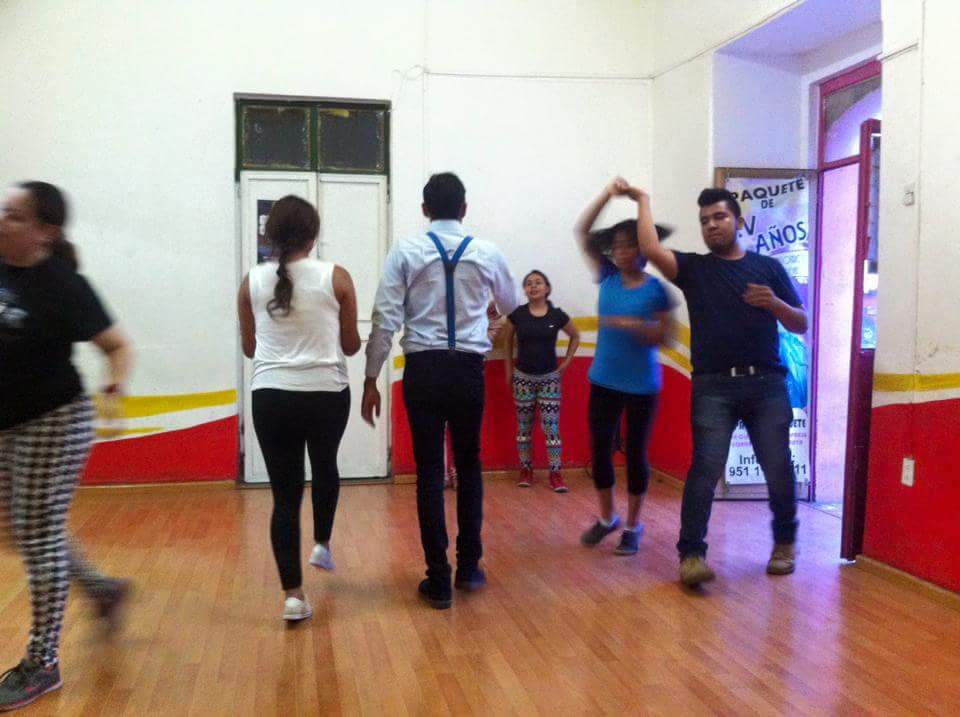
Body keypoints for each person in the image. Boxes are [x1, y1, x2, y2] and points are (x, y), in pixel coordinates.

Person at [0, 182, 132, 711]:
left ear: (45, 231)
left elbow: (117, 345)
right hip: (8, 423)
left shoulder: (64, 285)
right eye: (3, 212)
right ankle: (102, 589)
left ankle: (42, 662)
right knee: (24, 530)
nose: (3, 221)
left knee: (38, 535)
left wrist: (115, 386)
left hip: (54, 422)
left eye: (15, 216)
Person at [634, 185, 808, 587]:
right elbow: (650, 248)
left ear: (739, 221)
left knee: (778, 468)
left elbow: (800, 323)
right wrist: (643, 200)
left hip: (766, 385)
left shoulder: (767, 268)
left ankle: (784, 544)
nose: (711, 225)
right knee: (705, 469)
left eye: (719, 217)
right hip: (713, 387)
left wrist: (774, 303)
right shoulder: (695, 270)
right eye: (704, 221)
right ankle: (691, 555)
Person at [361, 172, 518, 610]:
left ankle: (438, 579)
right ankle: (469, 567)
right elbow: (513, 306)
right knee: (469, 465)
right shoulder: (487, 252)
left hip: (424, 370)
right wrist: (486, 319)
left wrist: (371, 379)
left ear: (424, 209)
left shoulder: (405, 251)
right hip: (469, 370)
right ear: (464, 208)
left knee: (430, 471)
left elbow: (384, 321)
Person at [237, 195, 361, 621]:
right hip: (327, 393)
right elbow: (350, 346)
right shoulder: (337, 277)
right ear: (314, 234)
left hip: (271, 396)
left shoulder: (251, 282)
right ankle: (322, 545)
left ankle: (293, 596)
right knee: (325, 465)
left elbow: (250, 348)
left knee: (284, 497)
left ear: (270, 234)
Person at [573, 179, 674, 556]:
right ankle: (606, 519)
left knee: (635, 455)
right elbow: (582, 231)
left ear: (642, 248)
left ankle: (633, 526)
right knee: (600, 450)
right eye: (615, 245)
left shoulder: (656, 289)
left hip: (642, 386)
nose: (620, 251)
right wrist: (606, 194)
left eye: (628, 244)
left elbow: (665, 337)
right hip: (603, 381)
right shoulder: (608, 277)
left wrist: (634, 325)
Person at [503, 270, 580, 492]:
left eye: (538, 282)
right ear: (525, 290)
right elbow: (506, 341)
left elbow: (575, 336)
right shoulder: (517, 315)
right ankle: (525, 470)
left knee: (551, 427)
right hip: (523, 379)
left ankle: (555, 474)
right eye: (529, 283)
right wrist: (509, 370)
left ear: (547, 288)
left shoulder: (557, 315)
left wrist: (566, 363)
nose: (533, 286)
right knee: (524, 428)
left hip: (549, 380)